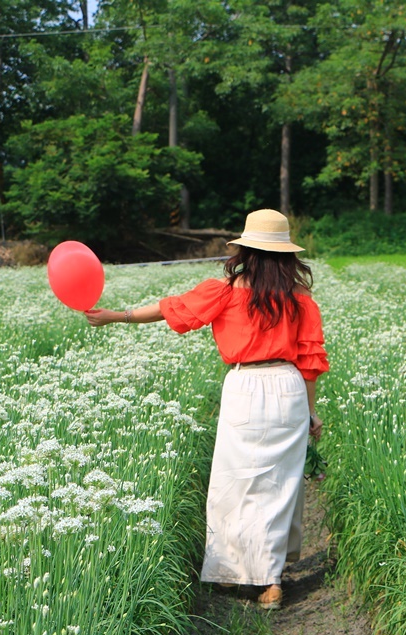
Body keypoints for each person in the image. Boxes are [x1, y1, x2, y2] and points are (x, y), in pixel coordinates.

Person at [83, 208, 329, 610]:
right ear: (286, 255)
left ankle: (242, 575)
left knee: (237, 484)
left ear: (246, 251)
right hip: (287, 390)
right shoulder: (301, 300)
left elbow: (170, 308)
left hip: (244, 386)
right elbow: (310, 363)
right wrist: (310, 412)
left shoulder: (225, 291)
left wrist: (116, 317)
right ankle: (271, 580)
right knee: (280, 487)